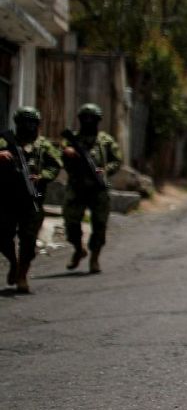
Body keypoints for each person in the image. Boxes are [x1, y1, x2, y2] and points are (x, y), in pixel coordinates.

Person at [0, 107, 63, 293]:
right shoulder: (5, 141)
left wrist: (41, 176)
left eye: (32, 123)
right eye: (25, 123)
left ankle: (22, 275)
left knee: (28, 241)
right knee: (2, 237)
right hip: (6, 200)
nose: (29, 127)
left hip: (31, 201)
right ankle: (13, 262)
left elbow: (56, 165)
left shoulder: (43, 145)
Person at [60, 103, 122, 274]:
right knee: (71, 223)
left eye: (92, 118)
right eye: (85, 118)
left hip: (98, 188)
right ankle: (79, 249)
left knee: (100, 224)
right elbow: (60, 158)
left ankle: (95, 258)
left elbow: (117, 160)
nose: (88, 121)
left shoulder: (105, 141)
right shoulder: (71, 140)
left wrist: (105, 170)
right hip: (76, 187)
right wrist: (67, 153)